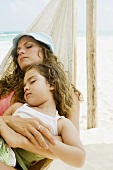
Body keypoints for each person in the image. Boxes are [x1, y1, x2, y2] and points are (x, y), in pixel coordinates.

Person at [0, 32, 82, 169]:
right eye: (18, 50)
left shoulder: (67, 95)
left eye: (29, 46)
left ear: (45, 51)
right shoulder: (4, 86)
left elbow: (67, 145)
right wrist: (8, 121)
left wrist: (19, 139)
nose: (20, 51)